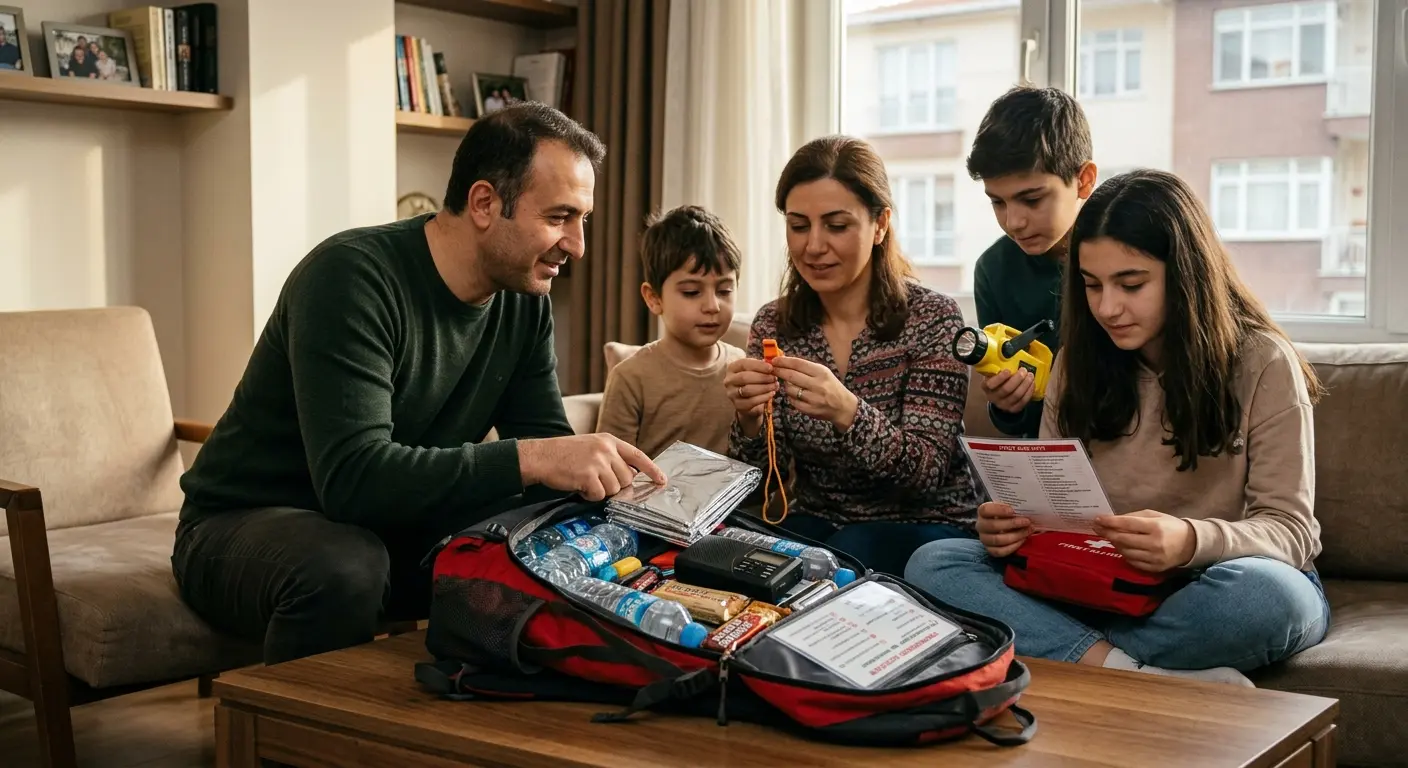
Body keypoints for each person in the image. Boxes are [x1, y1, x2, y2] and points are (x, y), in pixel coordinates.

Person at [171, 103, 666, 665]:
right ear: (484, 203)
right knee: (346, 565)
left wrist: (639, 506)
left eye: (583, 220)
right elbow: (354, 479)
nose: (577, 245)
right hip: (240, 528)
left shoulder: (523, 301)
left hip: (385, 525)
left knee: (533, 542)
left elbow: (546, 458)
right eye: (559, 217)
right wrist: (533, 457)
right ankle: (299, 741)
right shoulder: (350, 278)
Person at [905, 170, 1330, 687]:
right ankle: (1135, 672)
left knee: (1270, 600)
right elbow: (1053, 516)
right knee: (934, 563)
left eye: (1131, 284)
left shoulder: (1262, 362)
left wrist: (1189, 540)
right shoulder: (1074, 363)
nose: (1107, 307)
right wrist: (1010, 530)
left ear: (1185, 274)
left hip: (1207, 580)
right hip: (1095, 581)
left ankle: (1073, 655)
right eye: (1091, 285)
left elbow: (1292, 531)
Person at [722, 136, 980, 577]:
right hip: (822, 526)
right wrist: (750, 421)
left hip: (927, 527)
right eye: (799, 226)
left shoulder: (933, 317)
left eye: (836, 226)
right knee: (728, 545)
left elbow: (927, 472)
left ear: (880, 224)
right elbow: (766, 488)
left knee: (847, 551)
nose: (813, 246)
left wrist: (847, 411)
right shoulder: (775, 326)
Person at [967, 86, 1098, 438]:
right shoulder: (993, 271)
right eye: (998, 203)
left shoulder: (1126, 257)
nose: (1014, 222)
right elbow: (1021, 421)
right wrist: (1007, 405)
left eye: (1032, 199)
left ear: (1083, 181)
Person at [596, 205, 745, 458]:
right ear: (654, 298)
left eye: (724, 291)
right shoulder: (631, 378)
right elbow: (612, 468)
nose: (712, 306)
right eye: (691, 292)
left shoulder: (741, 366)